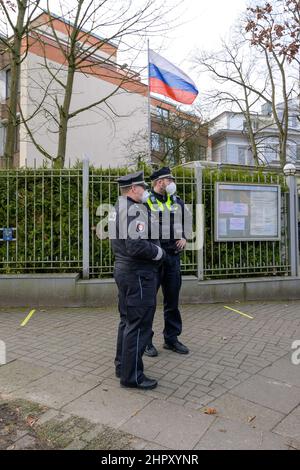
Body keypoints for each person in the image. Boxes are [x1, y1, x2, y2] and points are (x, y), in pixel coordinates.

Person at [110, 170, 164, 390]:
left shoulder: (118, 207)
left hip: (125, 270)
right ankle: (132, 376)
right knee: (139, 324)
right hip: (138, 274)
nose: (146, 191)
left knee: (127, 321)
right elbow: (136, 245)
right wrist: (159, 253)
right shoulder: (134, 211)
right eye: (143, 187)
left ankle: (123, 365)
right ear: (133, 189)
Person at [144, 167, 190, 357]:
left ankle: (171, 339)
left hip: (172, 256)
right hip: (154, 258)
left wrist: (185, 237)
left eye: (172, 179)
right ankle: (145, 341)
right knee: (148, 302)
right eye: (168, 179)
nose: (172, 182)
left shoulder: (177, 200)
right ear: (158, 182)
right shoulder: (145, 201)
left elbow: (186, 220)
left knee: (172, 300)